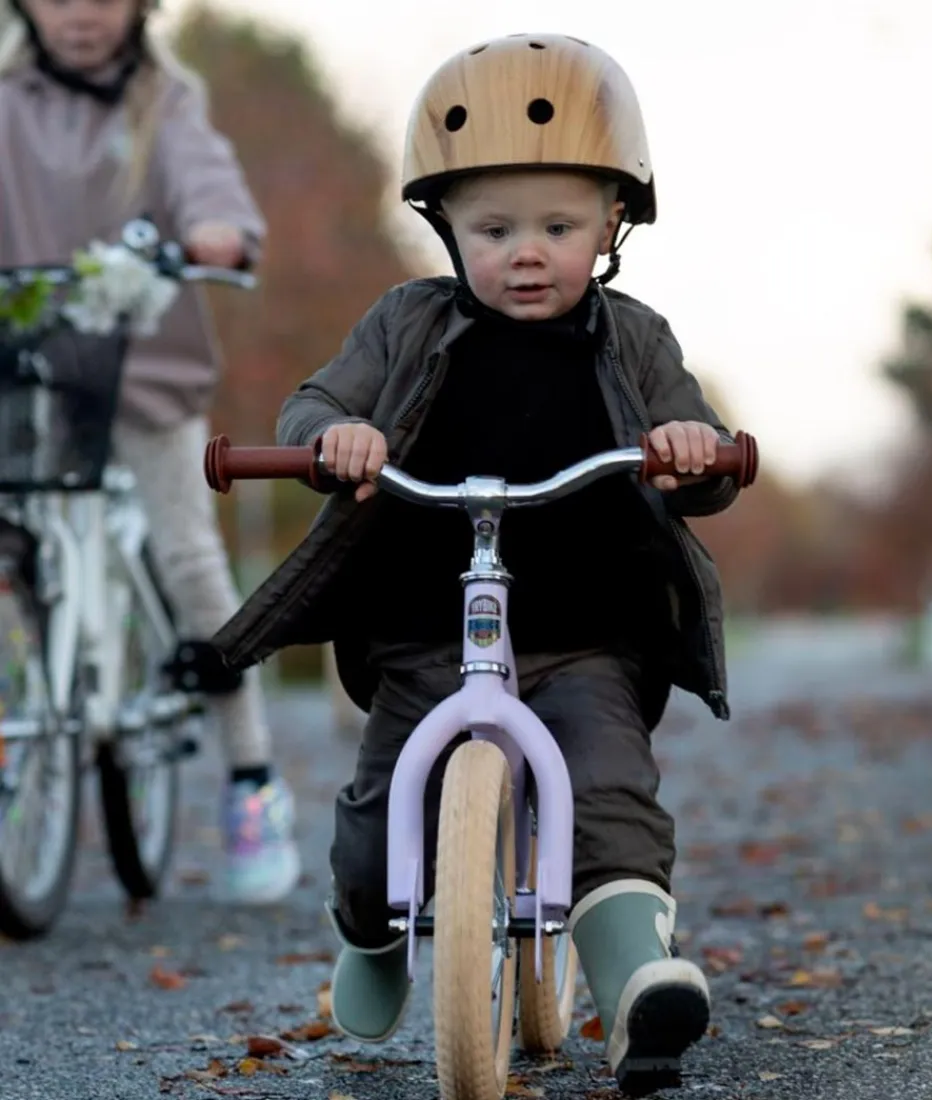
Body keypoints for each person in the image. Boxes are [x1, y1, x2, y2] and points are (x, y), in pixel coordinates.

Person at [213, 33, 741, 1093]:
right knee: (374, 822)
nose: (526, 252)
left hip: (590, 637)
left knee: (609, 793)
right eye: (493, 228)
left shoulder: (632, 339)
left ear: (611, 223)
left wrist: (692, 451)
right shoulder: (406, 322)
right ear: (445, 226)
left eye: (557, 225)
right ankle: (368, 932)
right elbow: (316, 402)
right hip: (422, 639)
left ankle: (640, 985)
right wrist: (333, 438)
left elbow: (699, 438)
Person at [0, 0, 300, 905]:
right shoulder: (6, 101)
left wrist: (215, 232)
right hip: (25, 369)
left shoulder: (164, 100)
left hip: (141, 370)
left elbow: (205, 183)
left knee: (186, 553)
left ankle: (252, 780)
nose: (80, 15)